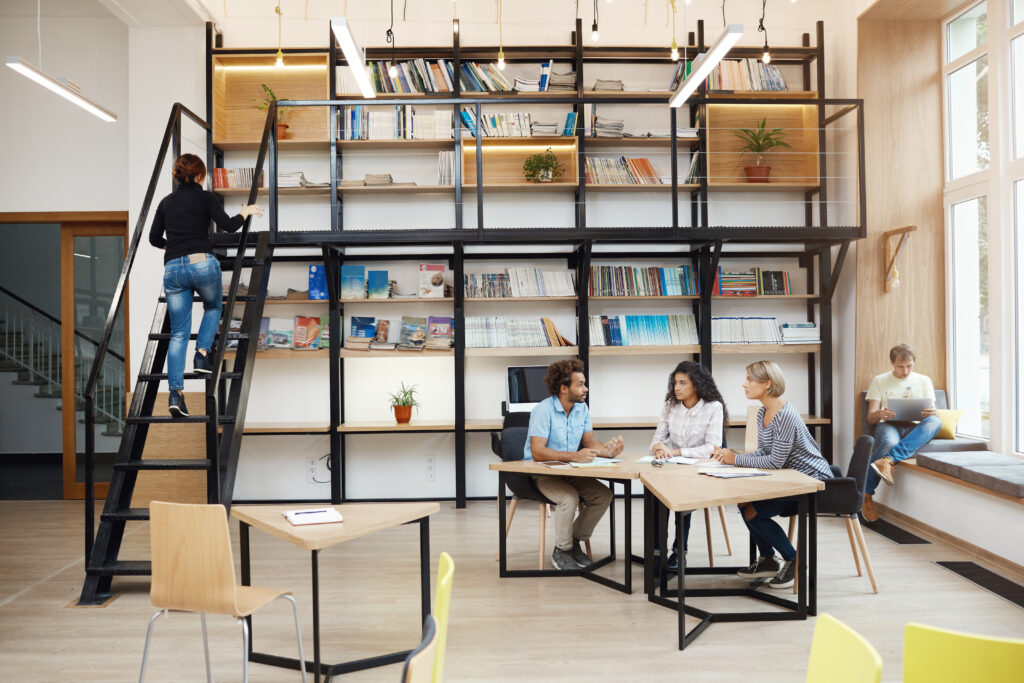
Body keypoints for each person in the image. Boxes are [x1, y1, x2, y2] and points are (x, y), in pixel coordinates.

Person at [148, 153, 263, 418]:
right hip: (202, 263)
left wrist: (175, 248)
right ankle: (201, 354)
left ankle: (176, 394)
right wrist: (245, 211)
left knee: (178, 333)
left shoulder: (166, 202)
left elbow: (155, 238)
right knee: (213, 307)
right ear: (200, 175)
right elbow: (229, 226)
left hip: (173, 268)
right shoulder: (206, 197)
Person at [711, 360, 833, 589]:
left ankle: (794, 561)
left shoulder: (784, 415)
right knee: (744, 503)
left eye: (749, 379)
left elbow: (775, 462)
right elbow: (765, 452)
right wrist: (732, 457)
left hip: (812, 481)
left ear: (767, 384)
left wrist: (735, 459)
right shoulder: (762, 413)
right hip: (791, 478)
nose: (744, 384)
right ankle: (768, 559)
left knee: (755, 512)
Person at [525, 359, 625, 570]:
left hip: (569, 470)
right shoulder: (543, 410)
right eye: (579, 384)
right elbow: (537, 451)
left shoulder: (581, 409)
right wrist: (574, 456)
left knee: (603, 495)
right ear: (563, 388)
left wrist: (607, 451)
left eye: (584, 383)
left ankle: (573, 542)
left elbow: (590, 442)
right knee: (568, 498)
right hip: (542, 472)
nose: (585, 388)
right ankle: (562, 550)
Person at [649, 360, 727, 572]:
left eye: (683, 383)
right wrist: (658, 448)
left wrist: (674, 452)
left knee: (681, 496)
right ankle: (657, 553)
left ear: (697, 385)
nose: (677, 388)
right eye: (675, 383)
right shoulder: (669, 406)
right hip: (674, 468)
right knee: (655, 495)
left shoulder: (713, 408)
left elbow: (712, 448)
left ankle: (679, 553)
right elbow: (658, 439)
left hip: (701, 470)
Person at [861, 343, 940, 521]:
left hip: (914, 426)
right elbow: (871, 417)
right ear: (892, 363)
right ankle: (866, 495)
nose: (905, 371)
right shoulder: (879, 380)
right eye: (900, 366)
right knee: (889, 443)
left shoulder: (924, 380)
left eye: (909, 366)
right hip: (889, 425)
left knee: (935, 421)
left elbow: (932, 411)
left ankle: (888, 460)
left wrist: (931, 412)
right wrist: (880, 413)